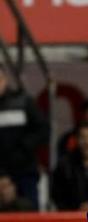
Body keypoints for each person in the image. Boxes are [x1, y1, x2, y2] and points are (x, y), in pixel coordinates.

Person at [0, 67, 49, 208]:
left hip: (24, 170)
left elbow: (43, 129)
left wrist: (22, 148)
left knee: (28, 210)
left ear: (4, 80)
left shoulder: (23, 101)